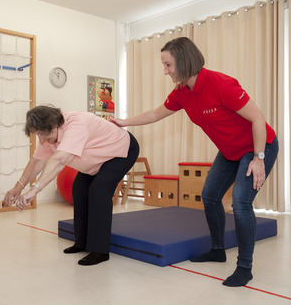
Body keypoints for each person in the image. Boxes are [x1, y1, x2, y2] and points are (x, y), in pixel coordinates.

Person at [111, 37, 278, 287]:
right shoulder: (182, 93)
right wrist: (124, 122)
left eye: (168, 65)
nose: (165, 71)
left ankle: (245, 267)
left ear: (184, 60)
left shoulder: (221, 84)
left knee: (241, 204)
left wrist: (259, 158)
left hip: (258, 146)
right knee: (209, 196)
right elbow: (157, 113)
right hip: (230, 151)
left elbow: (257, 118)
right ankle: (218, 250)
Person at [4, 105, 139, 266]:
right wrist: (18, 187)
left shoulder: (76, 124)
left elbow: (59, 160)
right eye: (37, 135)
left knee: (99, 190)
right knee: (79, 190)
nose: (41, 139)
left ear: (54, 125)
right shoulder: (48, 134)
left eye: (42, 134)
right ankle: (81, 243)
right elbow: (36, 162)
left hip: (121, 151)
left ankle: (99, 251)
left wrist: (34, 191)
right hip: (97, 158)